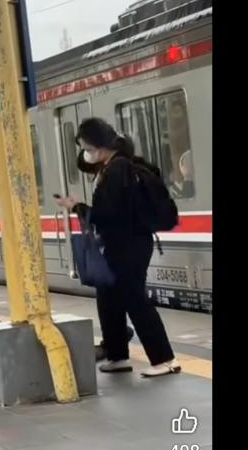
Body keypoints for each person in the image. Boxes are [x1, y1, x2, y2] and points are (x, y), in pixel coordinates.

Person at [56, 118, 181, 376]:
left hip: (128, 245)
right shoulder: (113, 167)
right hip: (123, 243)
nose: (85, 153)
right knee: (109, 297)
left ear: (99, 147)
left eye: (86, 147)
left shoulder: (117, 170)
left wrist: (78, 208)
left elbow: (109, 214)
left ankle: (165, 359)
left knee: (134, 299)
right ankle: (117, 354)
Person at [74, 149, 135, 361]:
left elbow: (109, 214)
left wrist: (83, 210)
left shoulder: (111, 173)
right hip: (120, 246)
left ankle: (115, 346)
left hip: (117, 247)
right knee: (115, 298)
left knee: (112, 299)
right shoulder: (117, 170)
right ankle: (116, 343)